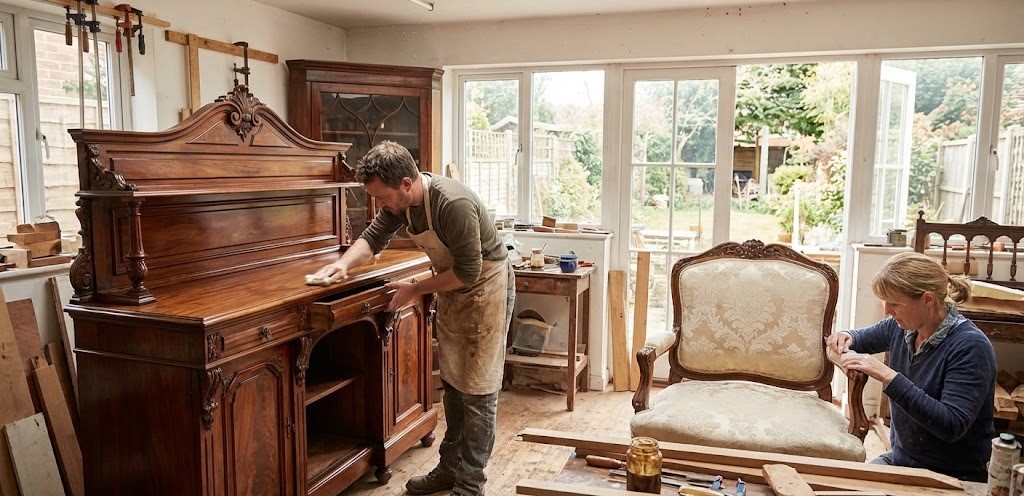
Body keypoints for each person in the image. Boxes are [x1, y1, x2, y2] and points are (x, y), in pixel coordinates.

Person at [313, 141, 514, 496]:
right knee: (453, 383)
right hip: (453, 286)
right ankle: (449, 470)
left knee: (478, 390)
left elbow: (469, 273)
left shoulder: (453, 204)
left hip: (485, 287)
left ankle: (471, 484)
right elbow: (373, 239)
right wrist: (342, 265)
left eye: (384, 197)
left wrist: (415, 289)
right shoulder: (402, 204)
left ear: (406, 184)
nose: (382, 205)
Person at [826, 251, 996, 482]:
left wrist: (888, 376)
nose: (887, 311)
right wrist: (846, 336)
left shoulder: (971, 346)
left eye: (894, 304)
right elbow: (862, 337)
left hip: (951, 476)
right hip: (901, 460)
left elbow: (951, 425)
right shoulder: (902, 326)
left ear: (928, 299)